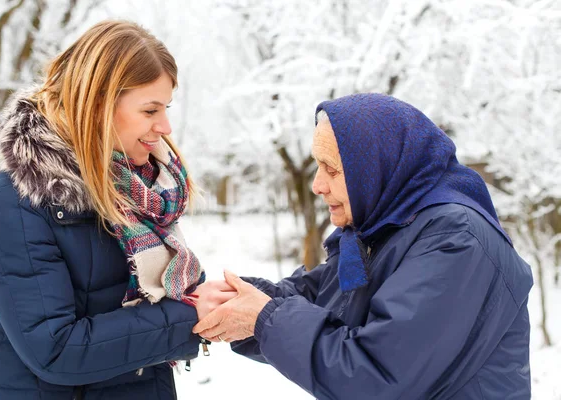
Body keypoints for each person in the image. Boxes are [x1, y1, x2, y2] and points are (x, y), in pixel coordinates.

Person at [192, 93, 534, 399]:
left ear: (376, 169)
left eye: (332, 169)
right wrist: (237, 300)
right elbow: (322, 301)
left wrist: (263, 319)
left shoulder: (456, 239)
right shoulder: (384, 229)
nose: (317, 185)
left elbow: (375, 375)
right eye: (316, 166)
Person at [0, 20, 233, 400]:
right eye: (150, 110)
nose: (165, 126)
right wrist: (188, 315)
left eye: (166, 108)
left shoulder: (139, 191)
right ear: (97, 104)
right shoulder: (18, 201)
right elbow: (55, 349)